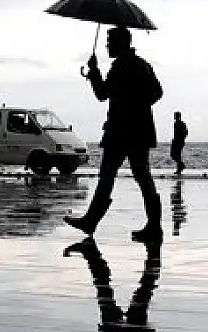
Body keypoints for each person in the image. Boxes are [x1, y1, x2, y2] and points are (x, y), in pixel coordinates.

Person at [64, 26, 164, 242]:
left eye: (109, 42)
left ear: (120, 43)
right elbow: (157, 92)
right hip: (140, 132)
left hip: (119, 132)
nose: (107, 46)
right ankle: (154, 227)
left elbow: (102, 94)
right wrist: (140, 107)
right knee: (143, 178)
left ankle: (91, 221)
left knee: (107, 177)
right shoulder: (143, 65)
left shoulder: (120, 66)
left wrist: (93, 72)